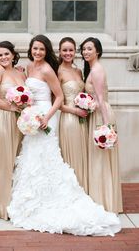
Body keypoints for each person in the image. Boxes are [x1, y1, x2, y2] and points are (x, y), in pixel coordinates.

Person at [7, 34, 121, 236]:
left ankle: (52, 198)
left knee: (47, 155)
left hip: (48, 116)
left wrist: (46, 117)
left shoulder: (51, 70)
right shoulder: (29, 67)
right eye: (35, 49)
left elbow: (58, 97)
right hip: (35, 115)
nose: (38, 52)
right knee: (33, 155)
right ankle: (31, 199)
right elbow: (28, 89)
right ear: (31, 50)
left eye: (42, 49)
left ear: (47, 51)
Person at [80, 37, 123, 213]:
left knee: (100, 159)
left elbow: (100, 98)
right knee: (97, 158)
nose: (86, 52)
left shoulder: (97, 70)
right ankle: (100, 198)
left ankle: (103, 201)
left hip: (101, 115)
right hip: (97, 114)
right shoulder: (91, 68)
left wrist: (106, 126)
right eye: (83, 49)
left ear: (97, 51)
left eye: (89, 49)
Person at [0, 41, 26, 220]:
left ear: (13, 54)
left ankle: (14, 201)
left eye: (6, 54)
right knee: (1, 160)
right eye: (0, 55)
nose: (3, 57)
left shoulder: (19, 72)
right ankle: (1, 205)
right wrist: (9, 108)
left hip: (17, 121)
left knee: (14, 160)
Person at [58, 37, 88, 193]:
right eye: (65, 50)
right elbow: (57, 103)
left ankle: (82, 189)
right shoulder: (59, 72)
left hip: (82, 118)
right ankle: (71, 192)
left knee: (81, 152)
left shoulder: (78, 71)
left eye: (71, 50)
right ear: (60, 52)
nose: (68, 53)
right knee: (71, 154)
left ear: (75, 51)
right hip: (69, 118)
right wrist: (75, 111)